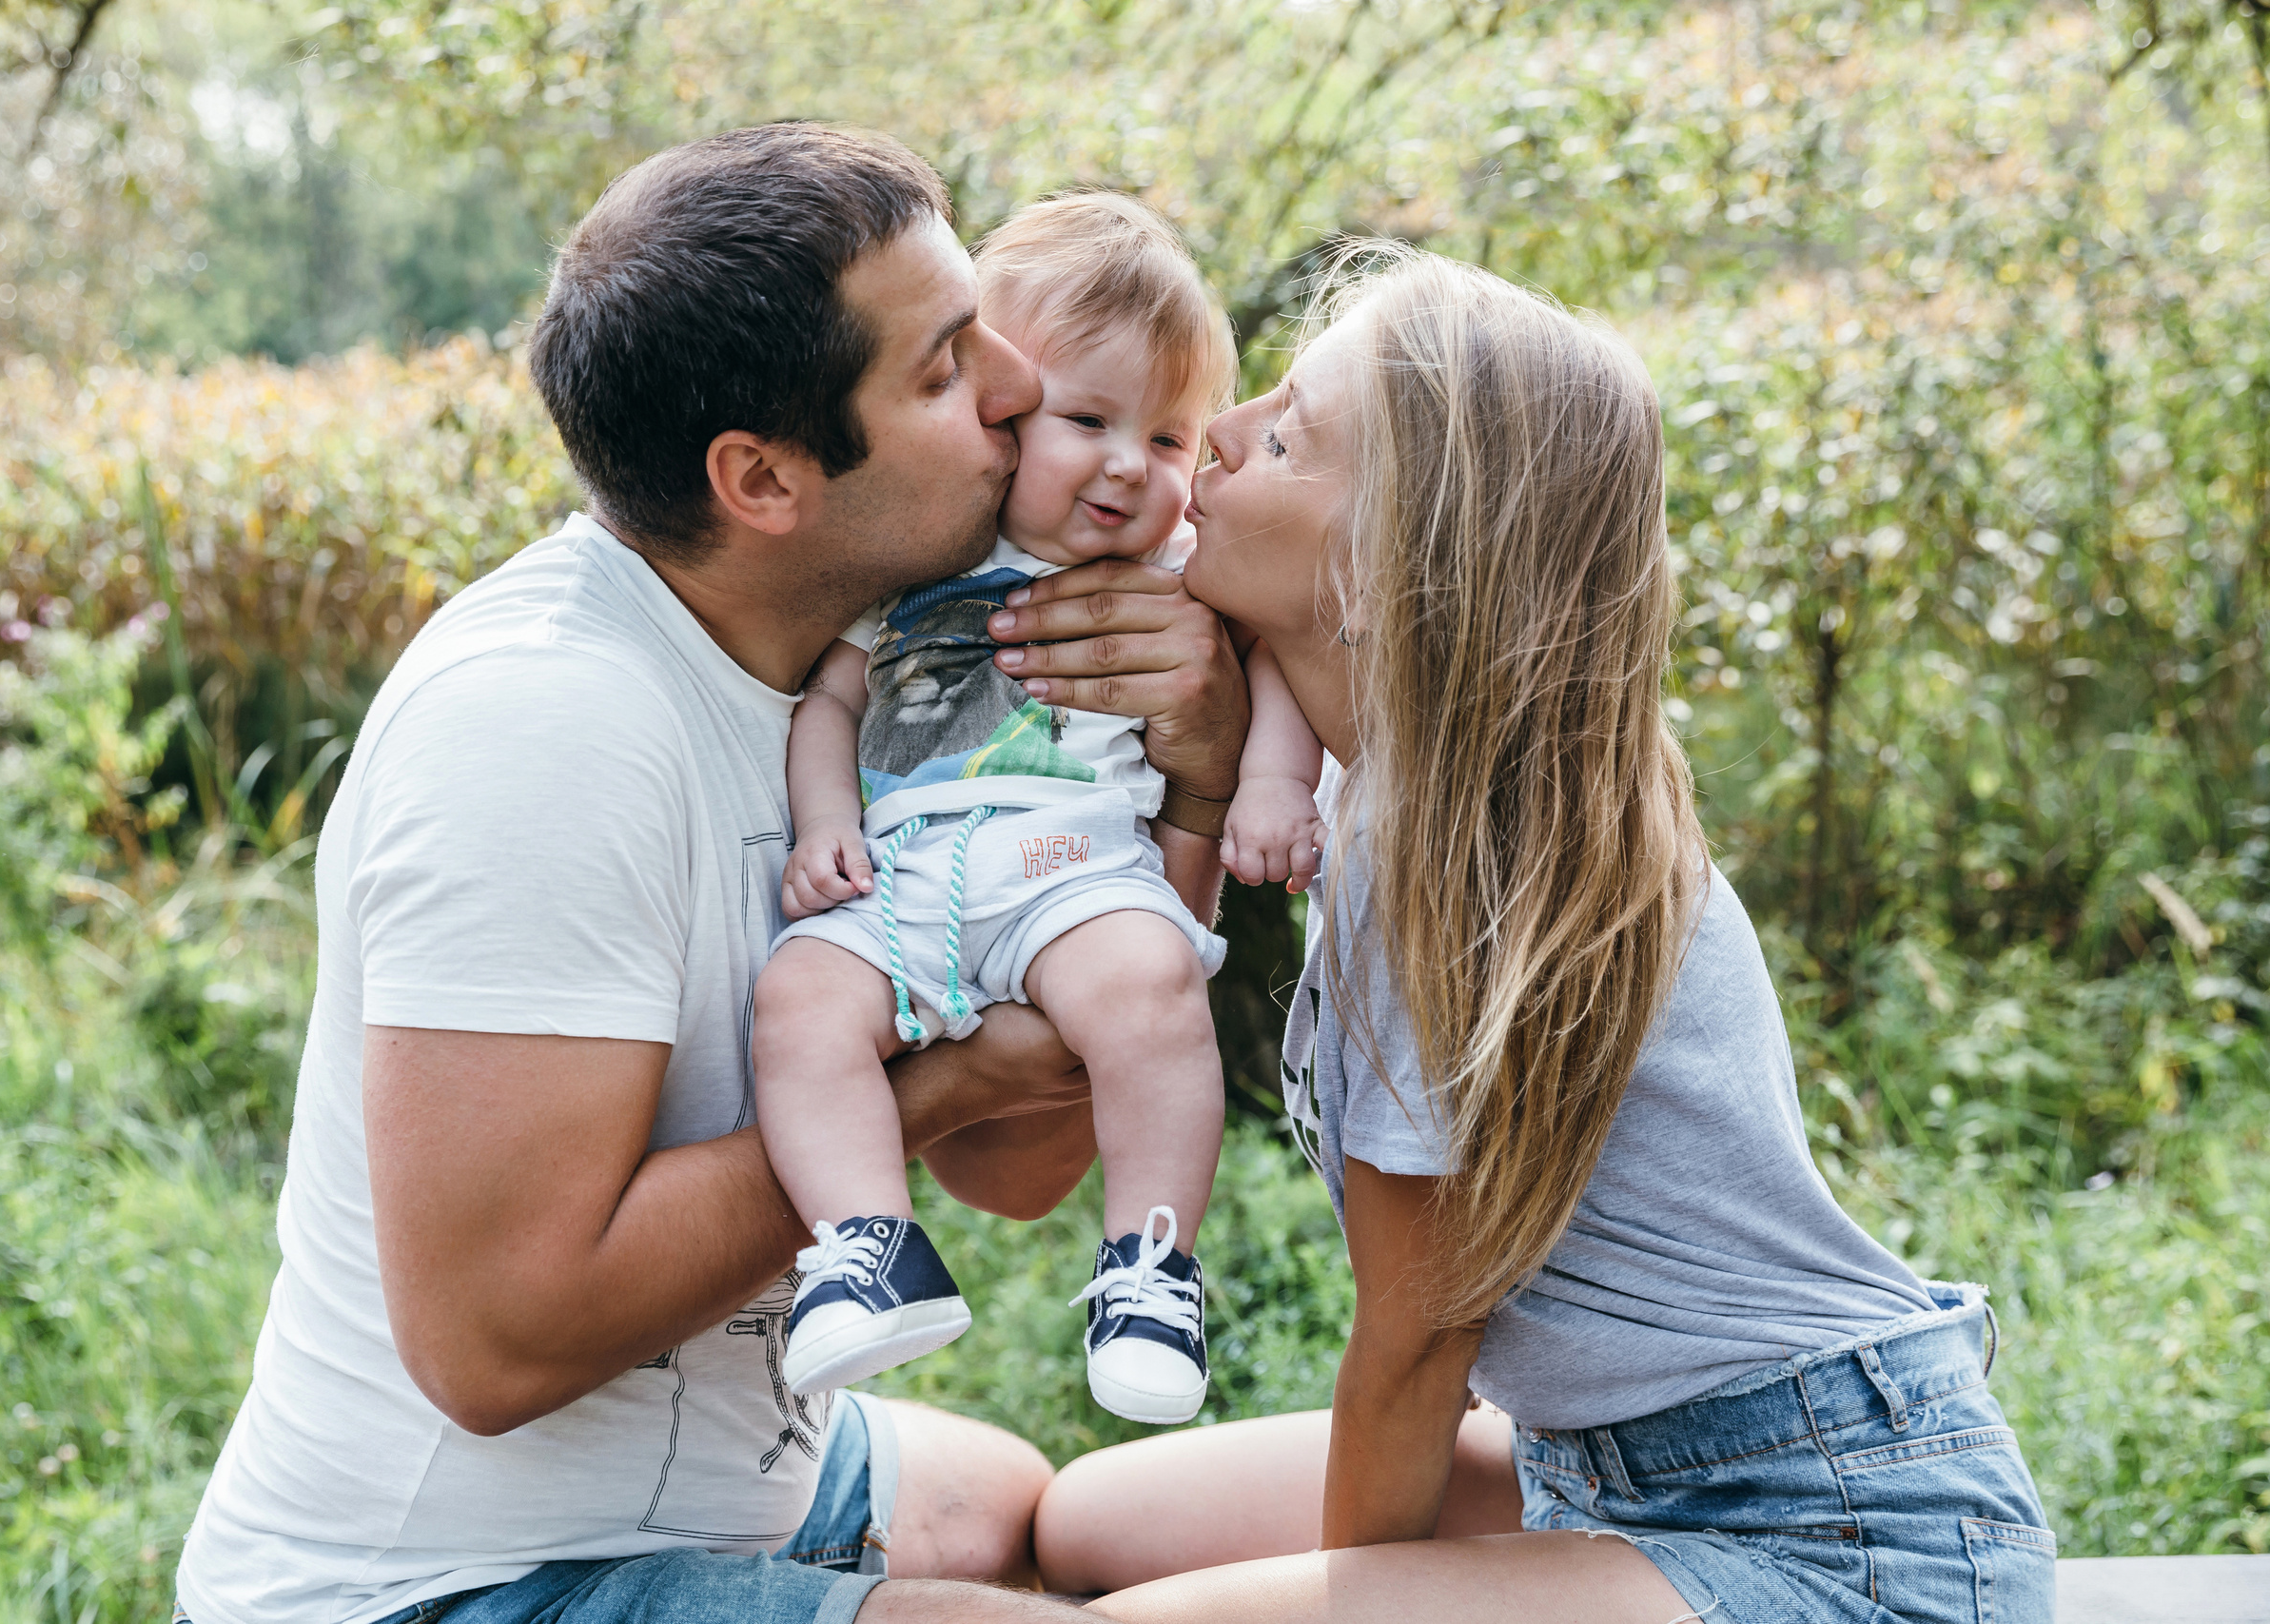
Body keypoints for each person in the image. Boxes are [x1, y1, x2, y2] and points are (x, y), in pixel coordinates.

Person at [172, 125, 1246, 1624]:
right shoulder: (548, 728)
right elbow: (496, 1346)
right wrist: (927, 1088)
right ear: (762, 479)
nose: (1015, 386)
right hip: (455, 1579)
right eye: (944, 370)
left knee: (1034, 1512)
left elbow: (1024, 1169)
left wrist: (1192, 777)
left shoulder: (887, 667)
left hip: (750, 1477)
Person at [1031, 248, 2055, 1623]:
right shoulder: (1367, 768)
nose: (1209, 440)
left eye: (1281, 438)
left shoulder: (1447, 851)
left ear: (1397, 559)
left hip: (1833, 1524)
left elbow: (1415, 1345)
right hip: (1592, 1464)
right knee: (1089, 1519)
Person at [753, 192, 1240, 1428]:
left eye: (1173, 440)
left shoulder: (1178, 579)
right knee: (803, 1003)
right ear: (1003, 415)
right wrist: (825, 828)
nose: (1132, 465)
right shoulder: (915, 566)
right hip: (909, 871)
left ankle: (1151, 1269)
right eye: (1087, 421)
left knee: (1151, 989)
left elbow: (1273, 676)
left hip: (1079, 866)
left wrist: (1259, 778)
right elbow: (831, 706)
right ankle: (868, 1244)